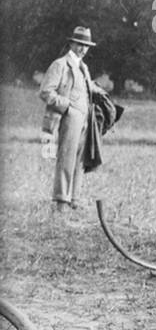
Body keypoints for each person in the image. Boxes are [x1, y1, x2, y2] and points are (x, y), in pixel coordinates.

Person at [39, 25, 108, 213]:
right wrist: (67, 106)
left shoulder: (83, 67)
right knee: (66, 158)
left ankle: (74, 200)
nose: (83, 49)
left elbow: (86, 89)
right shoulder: (60, 65)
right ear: (71, 43)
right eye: (79, 44)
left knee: (79, 160)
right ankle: (61, 202)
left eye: (86, 46)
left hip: (84, 120)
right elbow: (45, 92)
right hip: (68, 118)